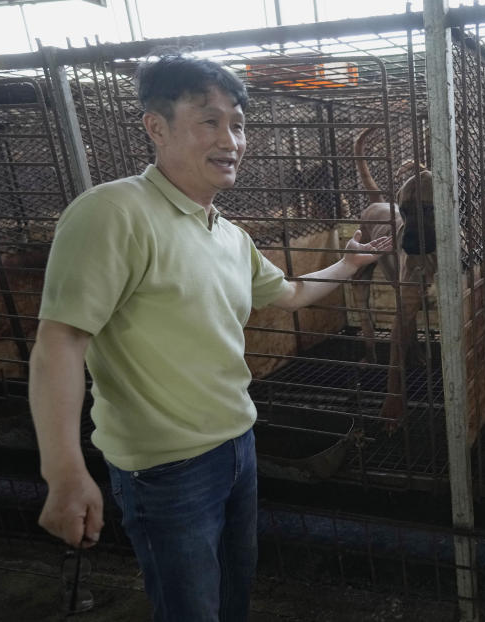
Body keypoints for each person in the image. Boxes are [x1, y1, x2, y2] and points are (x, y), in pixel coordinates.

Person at [29, 54, 391, 621]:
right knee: (190, 610)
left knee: (231, 597)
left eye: (239, 123)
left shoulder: (226, 233)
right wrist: (65, 472)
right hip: (165, 470)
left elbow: (290, 294)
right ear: (156, 126)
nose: (231, 139)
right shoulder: (112, 213)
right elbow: (60, 342)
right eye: (209, 121)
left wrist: (348, 265)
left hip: (236, 445)